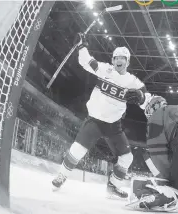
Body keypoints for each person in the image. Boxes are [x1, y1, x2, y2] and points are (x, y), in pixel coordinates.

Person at [51, 33, 152, 199]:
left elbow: (146, 98)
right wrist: (82, 46)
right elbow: (86, 61)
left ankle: (113, 186)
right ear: (112, 60)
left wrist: (142, 97)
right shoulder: (104, 69)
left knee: (127, 158)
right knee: (77, 150)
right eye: (116, 58)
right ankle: (61, 175)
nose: (119, 61)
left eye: (122, 58)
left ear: (127, 61)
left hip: (114, 125)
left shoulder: (133, 81)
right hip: (95, 121)